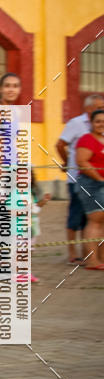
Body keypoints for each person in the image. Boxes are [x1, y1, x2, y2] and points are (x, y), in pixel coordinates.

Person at [56, 94, 104, 264]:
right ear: (88, 109)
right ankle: (73, 255)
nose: (101, 110)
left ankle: (89, 256)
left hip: (96, 182)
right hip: (81, 180)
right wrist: (65, 163)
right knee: (77, 218)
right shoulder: (77, 124)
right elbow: (60, 144)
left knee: (90, 220)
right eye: (98, 107)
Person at [75, 108, 104, 269]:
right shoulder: (86, 139)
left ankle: (101, 258)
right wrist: (99, 178)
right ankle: (92, 261)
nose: (101, 124)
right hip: (91, 184)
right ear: (91, 123)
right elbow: (82, 162)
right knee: (95, 220)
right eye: (97, 121)